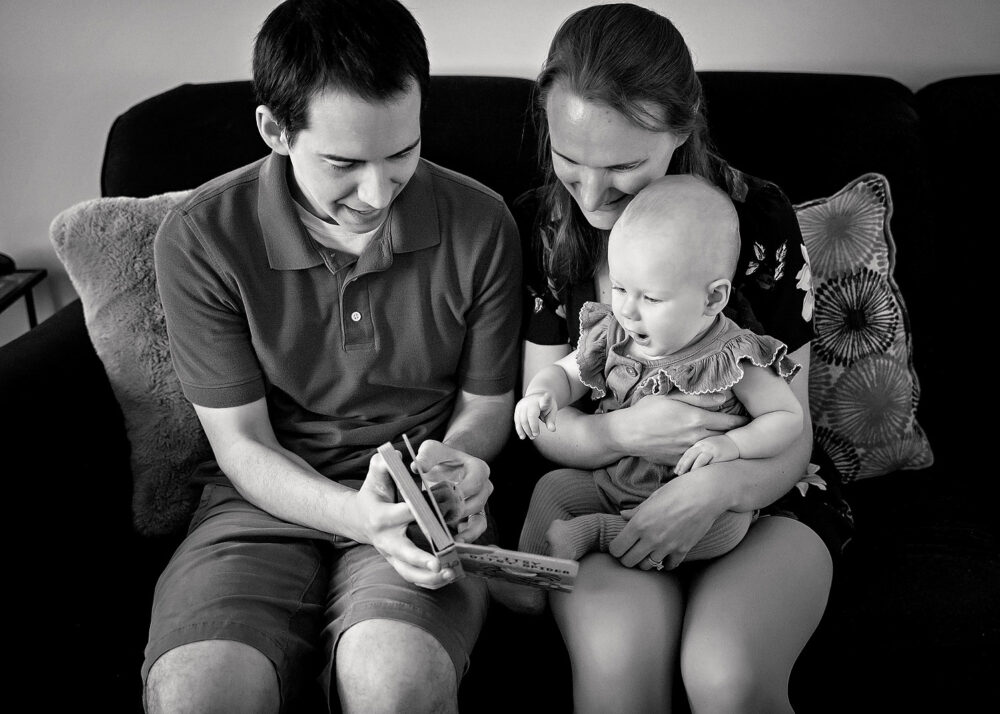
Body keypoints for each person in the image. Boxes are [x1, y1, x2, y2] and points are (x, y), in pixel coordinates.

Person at [143, 1, 521, 712]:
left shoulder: (481, 223)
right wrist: (356, 516)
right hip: (260, 499)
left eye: (402, 153)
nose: (377, 194)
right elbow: (242, 444)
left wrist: (455, 468)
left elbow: (486, 409)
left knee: (398, 686)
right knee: (199, 693)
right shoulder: (200, 238)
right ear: (274, 131)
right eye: (344, 164)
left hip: (418, 506)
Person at [510, 4, 855, 712]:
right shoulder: (546, 231)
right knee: (619, 671)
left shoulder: (757, 220)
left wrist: (713, 491)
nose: (594, 196)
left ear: (681, 129)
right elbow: (549, 420)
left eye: (624, 168)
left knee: (727, 677)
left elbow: (792, 433)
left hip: (760, 504)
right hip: (613, 496)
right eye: (570, 163)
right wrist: (619, 433)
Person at [515, 175, 803, 567]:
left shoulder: (735, 355)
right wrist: (540, 394)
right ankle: (526, 578)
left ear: (712, 297)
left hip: (696, 502)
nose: (628, 310)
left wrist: (733, 446)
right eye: (619, 288)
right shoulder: (612, 334)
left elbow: (786, 418)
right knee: (552, 488)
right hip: (614, 481)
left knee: (728, 531)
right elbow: (566, 374)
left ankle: (595, 533)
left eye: (650, 297)